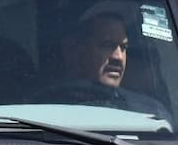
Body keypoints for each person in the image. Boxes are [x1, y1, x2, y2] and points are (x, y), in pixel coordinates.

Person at [38, 6, 169, 119]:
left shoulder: (150, 113)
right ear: (73, 50)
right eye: (107, 45)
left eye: (123, 48)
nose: (118, 57)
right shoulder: (41, 111)